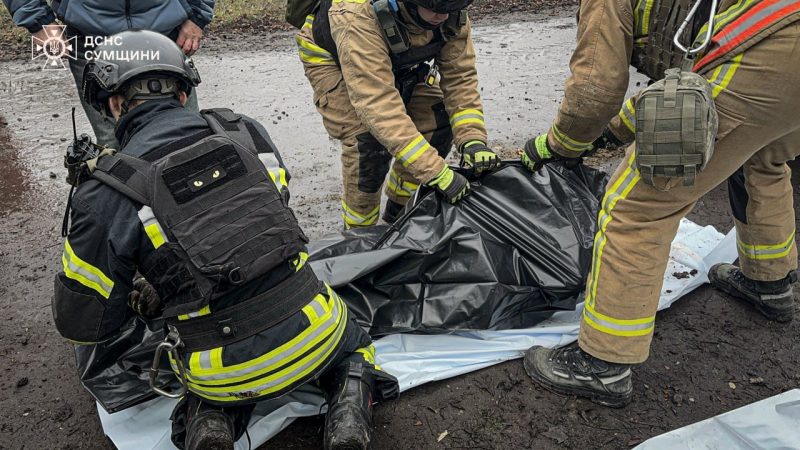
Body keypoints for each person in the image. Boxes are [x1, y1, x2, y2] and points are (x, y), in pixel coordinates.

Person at [52, 30, 397, 450]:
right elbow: (263, 220)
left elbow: (83, 323)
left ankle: (210, 417)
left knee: (212, 380)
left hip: (219, 369)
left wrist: (161, 281)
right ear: (183, 92)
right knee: (352, 348)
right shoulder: (244, 131)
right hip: (316, 331)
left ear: (112, 104)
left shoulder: (102, 190)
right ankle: (350, 401)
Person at [521, 0, 800, 407]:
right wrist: (613, 132)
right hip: (784, 40)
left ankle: (603, 363)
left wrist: (561, 145)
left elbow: (594, 91)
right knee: (763, 160)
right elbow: (679, 82)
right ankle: (769, 282)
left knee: (636, 208)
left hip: (767, 45)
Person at [295, 0, 499, 228]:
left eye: (449, 10)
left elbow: (460, 78)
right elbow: (379, 106)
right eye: (435, 10)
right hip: (333, 58)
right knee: (367, 142)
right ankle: (359, 232)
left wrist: (472, 139)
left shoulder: (451, 11)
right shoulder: (357, 15)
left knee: (438, 120)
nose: (442, 17)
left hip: (396, 58)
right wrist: (435, 172)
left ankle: (399, 212)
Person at [2, 0, 214, 148]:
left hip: (165, 37)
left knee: (188, 137)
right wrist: (39, 21)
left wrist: (198, 13)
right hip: (90, 39)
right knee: (113, 147)